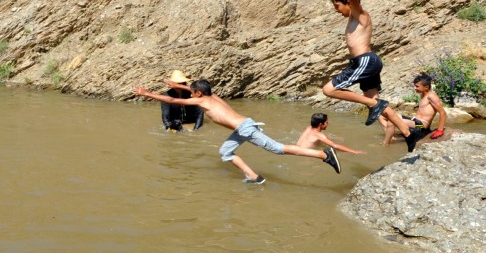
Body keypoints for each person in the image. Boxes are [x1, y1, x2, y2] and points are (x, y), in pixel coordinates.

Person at [310, 0, 421, 152]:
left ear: (349, 5)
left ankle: (372, 106)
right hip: (365, 62)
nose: (336, 9)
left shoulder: (359, 14)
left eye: (337, 6)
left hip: (365, 61)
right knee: (375, 100)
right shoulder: (352, 15)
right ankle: (408, 132)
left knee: (329, 90)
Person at [133, 79, 342, 185]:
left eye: (193, 91)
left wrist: (147, 93)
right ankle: (254, 177)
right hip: (244, 127)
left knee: (278, 149)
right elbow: (196, 92)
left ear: (197, 93)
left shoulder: (200, 100)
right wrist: (179, 85)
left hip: (245, 128)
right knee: (226, 152)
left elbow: (172, 100)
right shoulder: (211, 97)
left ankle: (324, 155)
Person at [379, 74, 447, 146]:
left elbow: (443, 113)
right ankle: (390, 136)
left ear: (426, 87)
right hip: (414, 120)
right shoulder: (423, 94)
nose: (414, 88)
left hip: (422, 126)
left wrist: (440, 130)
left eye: (417, 86)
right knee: (381, 116)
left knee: (391, 122)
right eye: (414, 85)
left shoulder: (432, 96)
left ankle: (385, 145)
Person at [296, 113, 366, 154]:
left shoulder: (308, 128)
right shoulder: (319, 135)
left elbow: (313, 138)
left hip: (296, 150)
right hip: (305, 154)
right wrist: (355, 151)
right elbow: (335, 146)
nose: (328, 124)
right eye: (326, 122)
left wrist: (331, 138)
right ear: (321, 124)